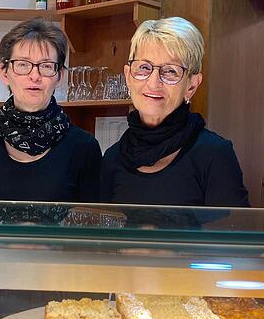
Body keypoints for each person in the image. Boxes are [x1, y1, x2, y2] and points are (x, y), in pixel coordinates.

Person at [100, 17, 249, 207]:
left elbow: (234, 235)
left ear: (192, 85)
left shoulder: (214, 154)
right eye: (144, 68)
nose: (154, 83)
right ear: (128, 76)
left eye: (170, 71)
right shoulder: (112, 159)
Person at [0, 18, 101, 202]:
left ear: (59, 76)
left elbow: (92, 223)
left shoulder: (84, 147)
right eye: (23, 64)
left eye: (46, 66)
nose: (34, 76)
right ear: (4, 72)